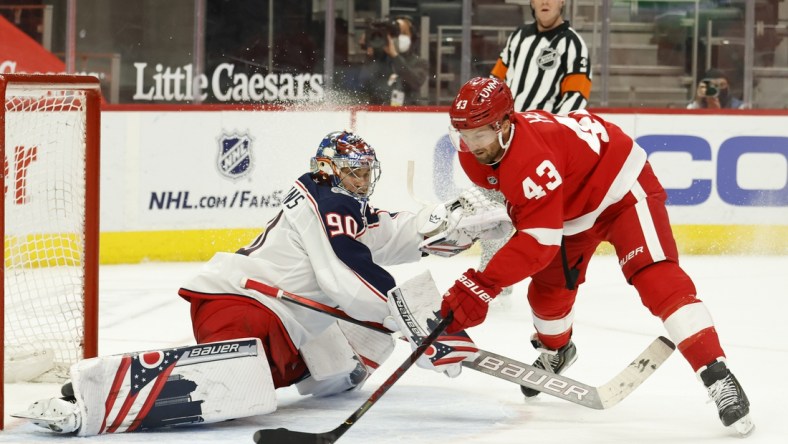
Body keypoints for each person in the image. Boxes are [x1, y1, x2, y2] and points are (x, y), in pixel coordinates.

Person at [14, 131, 502, 436]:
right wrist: (424, 327)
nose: (360, 181)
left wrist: (449, 225)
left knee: (367, 338)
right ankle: (86, 401)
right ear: (330, 168)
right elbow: (349, 277)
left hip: (277, 323)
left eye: (365, 174)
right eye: (353, 172)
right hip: (242, 305)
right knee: (230, 385)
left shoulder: (346, 207)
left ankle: (316, 372)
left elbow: (392, 233)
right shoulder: (324, 198)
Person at [438, 77, 754, 436]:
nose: (472, 144)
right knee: (546, 296)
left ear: (505, 123)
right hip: (569, 208)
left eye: (480, 134)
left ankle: (717, 375)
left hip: (621, 189)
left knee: (656, 278)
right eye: (464, 133)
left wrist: (482, 285)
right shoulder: (473, 152)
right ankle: (558, 351)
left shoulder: (530, 154)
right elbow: (527, 212)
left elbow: (538, 242)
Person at [481, 0, 592, 299]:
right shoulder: (518, 37)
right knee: (495, 212)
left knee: (538, 218)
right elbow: (494, 84)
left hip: (542, 146)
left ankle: (549, 291)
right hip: (505, 140)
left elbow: (574, 100)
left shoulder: (573, 45)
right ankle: (492, 283)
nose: (545, 1)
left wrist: (547, 136)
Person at [357, 16, 428, 106]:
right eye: (395, 34)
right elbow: (364, 84)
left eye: (403, 33)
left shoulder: (419, 62)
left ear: (412, 37)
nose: (398, 38)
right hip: (379, 113)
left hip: (408, 113)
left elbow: (415, 82)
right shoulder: (379, 59)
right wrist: (370, 56)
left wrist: (395, 55)